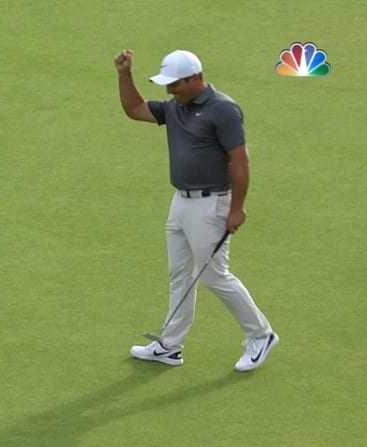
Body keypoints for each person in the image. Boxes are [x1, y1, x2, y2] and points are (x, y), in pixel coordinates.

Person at [113, 49, 278, 372]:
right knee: (180, 275)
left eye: (174, 84)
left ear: (194, 78)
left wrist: (237, 208)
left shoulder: (223, 110)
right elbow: (134, 108)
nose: (169, 90)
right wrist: (124, 74)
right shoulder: (175, 108)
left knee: (215, 276)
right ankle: (170, 346)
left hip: (212, 203)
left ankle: (261, 335)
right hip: (181, 203)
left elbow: (240, 160)